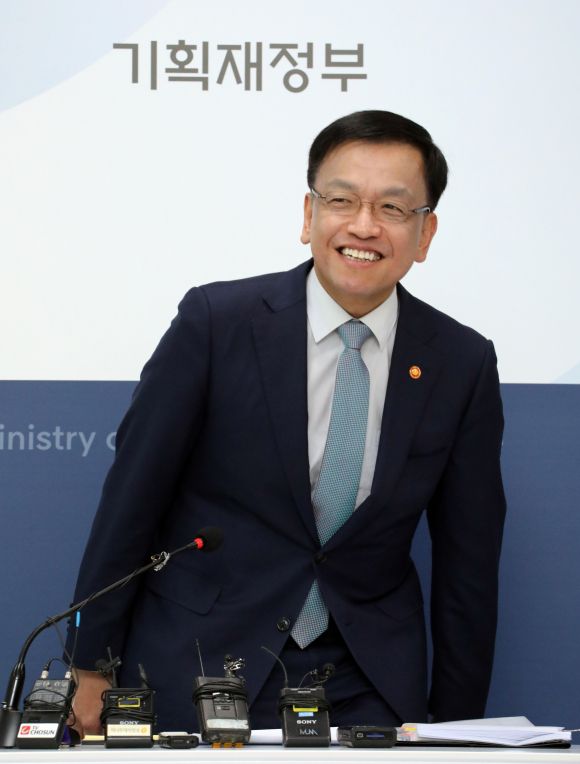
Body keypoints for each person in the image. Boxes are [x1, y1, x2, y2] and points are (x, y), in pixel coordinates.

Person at [68, 110, 506, 736]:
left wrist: (457, 727)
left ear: (425, 233)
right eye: (342, 200)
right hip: (199, 660)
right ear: (308, 215)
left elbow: (469, 562)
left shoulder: (461, 362)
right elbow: (131, 499)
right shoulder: (216, 323)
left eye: (392, 208)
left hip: (367, 680)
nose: (364, 226)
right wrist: (91, 664)